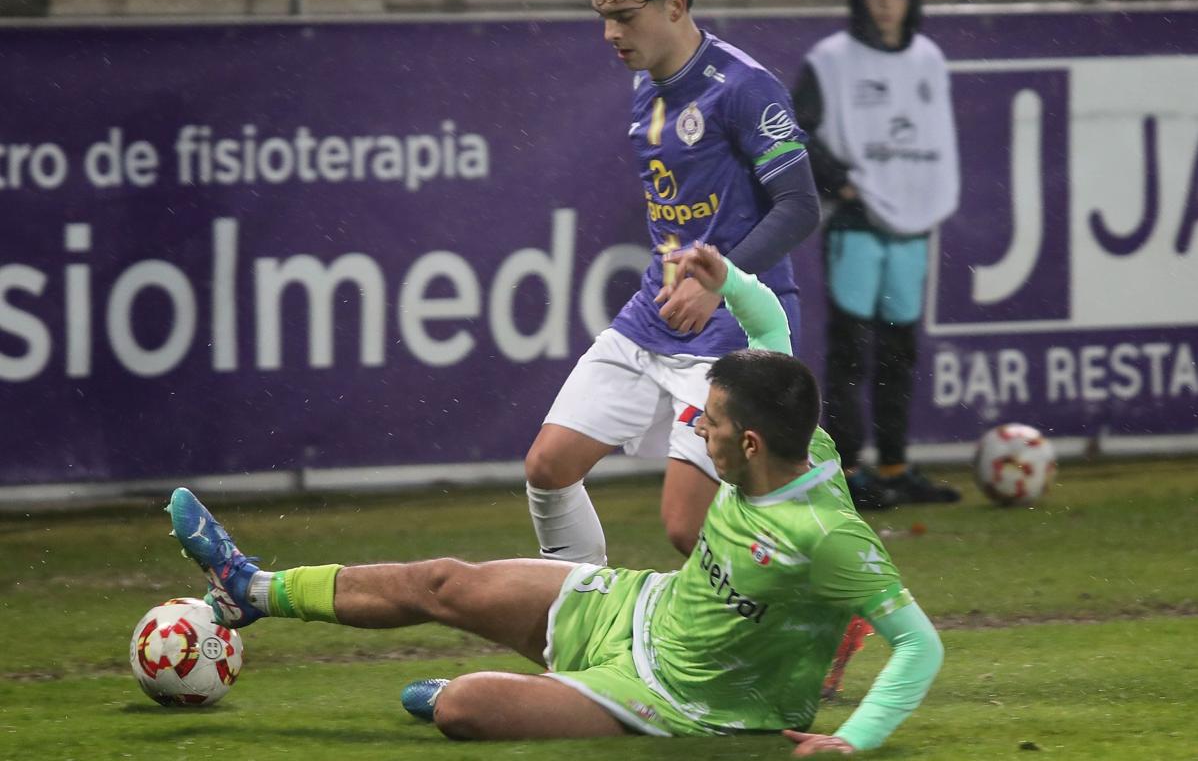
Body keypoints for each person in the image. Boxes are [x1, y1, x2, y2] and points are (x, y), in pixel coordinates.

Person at [168, 245, 943, 755]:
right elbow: (769, 320)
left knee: (460, 711)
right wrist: (724, 277)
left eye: (707, 424)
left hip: (674, 701)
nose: (695, 432)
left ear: (749, 446)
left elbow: (919, 645)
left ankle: (527, 696)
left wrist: (856, 739)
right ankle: (251, 590)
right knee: (446, 582)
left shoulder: (826, 533)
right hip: (638, 608)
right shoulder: (791, 432)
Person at [527, 0, 820, 565]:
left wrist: (721, 283)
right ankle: (585, 619)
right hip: (656, 314)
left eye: (624, 16)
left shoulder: (745, 88)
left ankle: (787, 625)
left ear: (675, 6)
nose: (611, 33)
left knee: (687, 529)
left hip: (733, 324)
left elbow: (800, 206)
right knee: (548, 467)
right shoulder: (645, 83)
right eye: (603, 17)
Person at [790, 0, 961, 510]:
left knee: (899, 353)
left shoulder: (929, 60)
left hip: (911, 228)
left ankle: (894, 465)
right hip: (856, 225)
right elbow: (792, 131)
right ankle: (846, 473)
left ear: (910, 0)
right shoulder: (831, 60)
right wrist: (838, 179)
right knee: (851, 354)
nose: (886, 5)